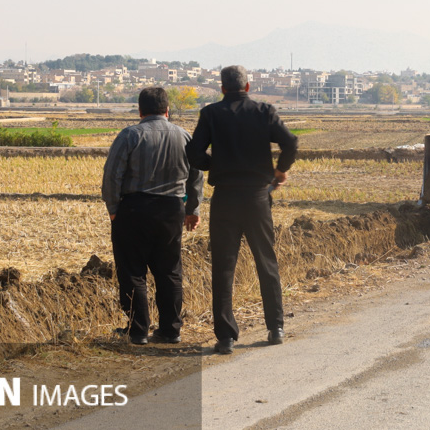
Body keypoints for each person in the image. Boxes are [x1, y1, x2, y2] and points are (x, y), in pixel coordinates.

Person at [187, 66, 299, 354]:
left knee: (224, 266)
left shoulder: (210, 114)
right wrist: (281, 169)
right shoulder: (264, 111)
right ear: (247, 87)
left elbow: (194, 153)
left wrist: (216, 164)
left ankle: (226, 337)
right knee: (266, 261)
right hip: (257, 197)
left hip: (225, 197)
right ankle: (276, 327)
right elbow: (290, 142)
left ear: (222, 88)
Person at [102, 87, 203, 345]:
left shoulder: (129, 136)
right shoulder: (184, 136)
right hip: (171, 211)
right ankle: (170, 330)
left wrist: (113, 209)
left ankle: (137, 331)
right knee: (169, 271)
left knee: (133, 271)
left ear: (140, 111)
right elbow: (196, 177)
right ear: (167, 110)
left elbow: (112, 176)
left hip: (134, 209)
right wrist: (192, 210)